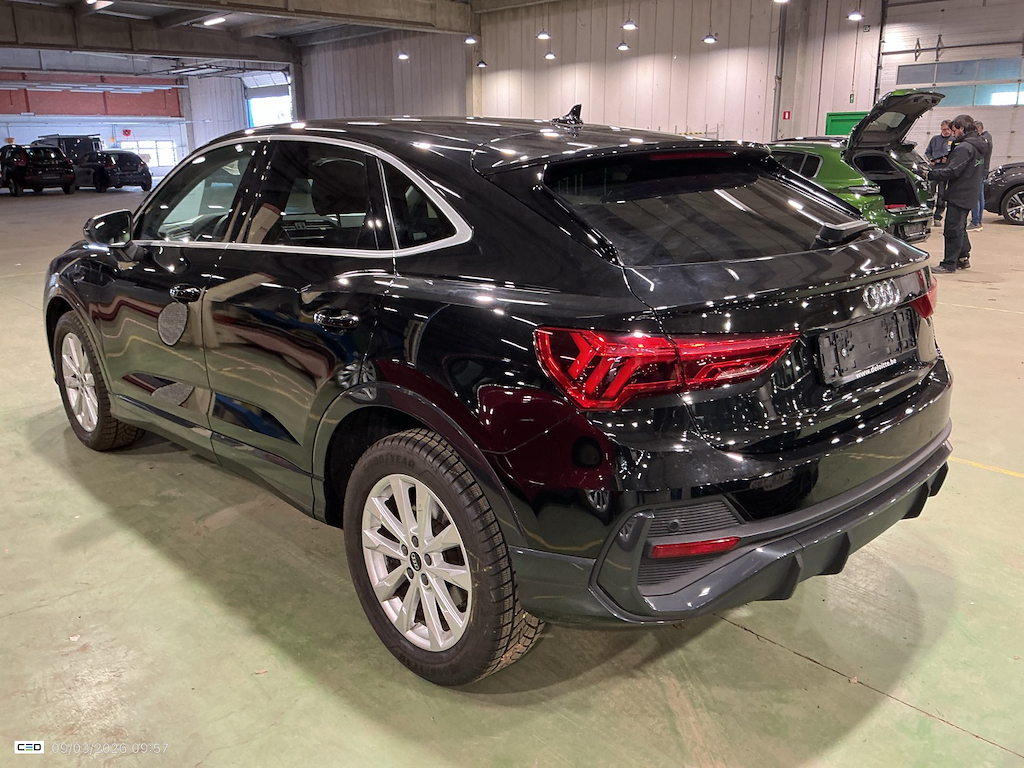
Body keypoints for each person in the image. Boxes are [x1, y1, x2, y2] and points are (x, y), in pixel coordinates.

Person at [927, 114, 987, 273]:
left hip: (960, 193)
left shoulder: (964, 148)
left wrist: (929, 174)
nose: (953, 135)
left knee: (952, 229)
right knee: (960, 227)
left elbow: (952, 171)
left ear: (962, 128)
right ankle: (963, 258)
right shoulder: (979, 144)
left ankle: (949, 264)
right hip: (970, 191)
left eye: (954, 131)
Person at [925, 120, 953, 224]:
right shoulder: (935, 139)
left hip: (945, 170)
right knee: (930, 193)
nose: (946, 131)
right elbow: (927, 153)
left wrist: (947, 160)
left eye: (948, 129)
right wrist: (931, 160)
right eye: (944, 129)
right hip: (934, 169)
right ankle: (928, 214)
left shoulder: (954, 141)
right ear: (941, 129)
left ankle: (937, 216)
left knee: (942, 194)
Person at [969, 120, 993, 230]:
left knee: (975, 196)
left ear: (980, 128)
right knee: (980, 196)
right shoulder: (988, 138)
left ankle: (975, 221)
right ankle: (978, 221)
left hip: (979, 170)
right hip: (983, 170)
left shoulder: (983, 140)